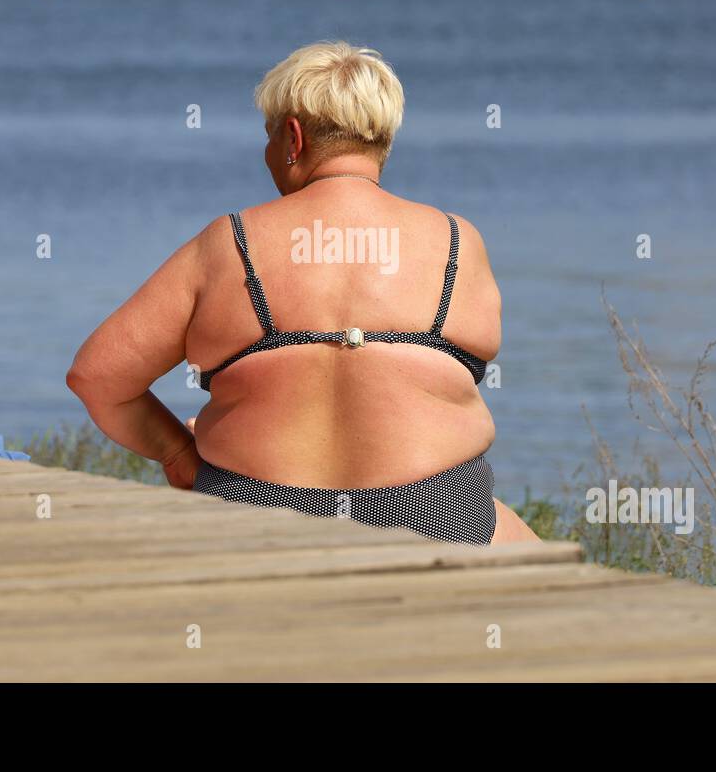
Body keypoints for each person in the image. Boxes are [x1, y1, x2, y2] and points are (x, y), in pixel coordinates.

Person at [67, 42, 537, 545]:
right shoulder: (456, 242)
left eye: (268, 134)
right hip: (434, 515)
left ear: (292, 137)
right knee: (526, 544)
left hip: (257, 515)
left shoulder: (229, 243)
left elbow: (96, 378)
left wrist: (179, 453)